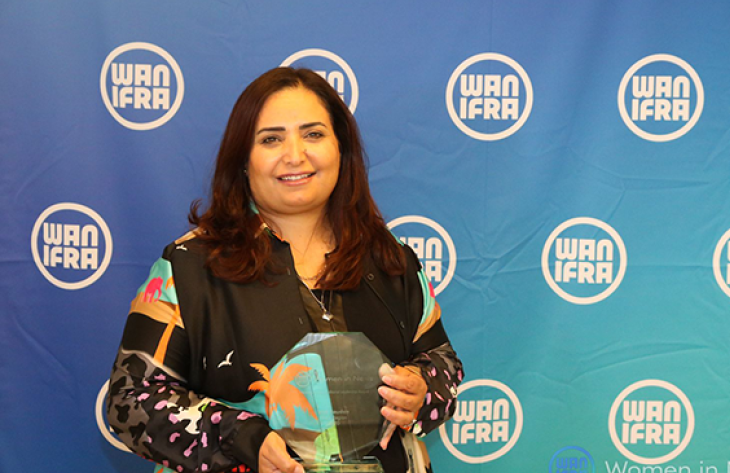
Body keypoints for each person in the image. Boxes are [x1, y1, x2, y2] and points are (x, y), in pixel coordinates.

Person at [107, 67, 463, 473]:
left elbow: (443, 364)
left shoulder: (391, 259)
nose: (295, 155)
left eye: (313, 134)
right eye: (271, 139)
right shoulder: (188, 267)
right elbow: (129, 400)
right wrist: (241, 438)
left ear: (341, 149)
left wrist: (421, 391)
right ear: (243, 160)